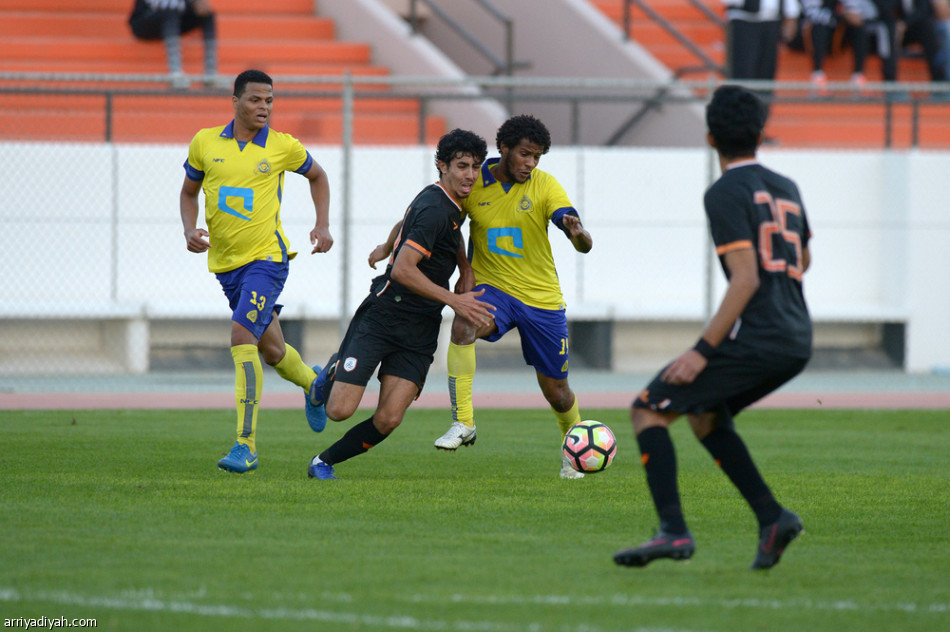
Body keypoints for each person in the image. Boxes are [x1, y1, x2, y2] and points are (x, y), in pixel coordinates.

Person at [614, 85, 812, 570]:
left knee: (648, 409)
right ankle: (772, 518)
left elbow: (745, 279)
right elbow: (801, 259)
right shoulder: (786, 186)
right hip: (797, 334)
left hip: (761, 335)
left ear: (709, 138)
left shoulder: (724, 192)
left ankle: (673, 532)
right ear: (761, 133)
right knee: (704, 414)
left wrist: (702, 349)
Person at [306, 129, 494, 481]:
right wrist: (455, 299)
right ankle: (326, 376)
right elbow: (404, 270)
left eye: (475, 167)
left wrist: (389, 243)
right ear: (442, 166)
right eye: (462, 166)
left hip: (420, 327)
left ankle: (322, 462)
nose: (470, 175)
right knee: (339, 410)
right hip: (384, 314)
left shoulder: (450, 203)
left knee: (390, 418)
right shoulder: (435, 208)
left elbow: (427, 228)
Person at [421, 114, 594, 480]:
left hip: (541, 298)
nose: (531, 164)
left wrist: (577, 232)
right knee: (464, 322)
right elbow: (438, 218)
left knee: (558, 393)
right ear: (504, 150)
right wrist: (465, 269)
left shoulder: (545, 186)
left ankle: (573, 452)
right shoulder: (474, 183)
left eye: (537, 157)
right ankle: (463, 422)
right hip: (494, 289)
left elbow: (579, 237)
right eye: (525, 155)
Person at [180, 69, 334, 474]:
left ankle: (244, 445)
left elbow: (318, 176)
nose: (263, 107)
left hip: (267, 260)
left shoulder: (283, 147)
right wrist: (188, 228)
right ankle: (314, 385)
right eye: (255, 100)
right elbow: (188, 191)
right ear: (235, 102)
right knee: (272, 350)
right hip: (227, 266)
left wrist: (323, 224)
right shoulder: (205, 142)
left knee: (241, 336)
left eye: (269, 101)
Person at [723, 0, 801, 114]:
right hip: (744, 20)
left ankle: (760, 121)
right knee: (743, 74)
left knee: (766, 74)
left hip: (771, 21)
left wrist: (791, 15)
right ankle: (740, 120)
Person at [129, 0, 224, 90]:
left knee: (207, 13)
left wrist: (196, 3)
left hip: (173, 18)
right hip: (143, 20)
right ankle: (175, 74)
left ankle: (210, 75)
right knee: (170, 12)